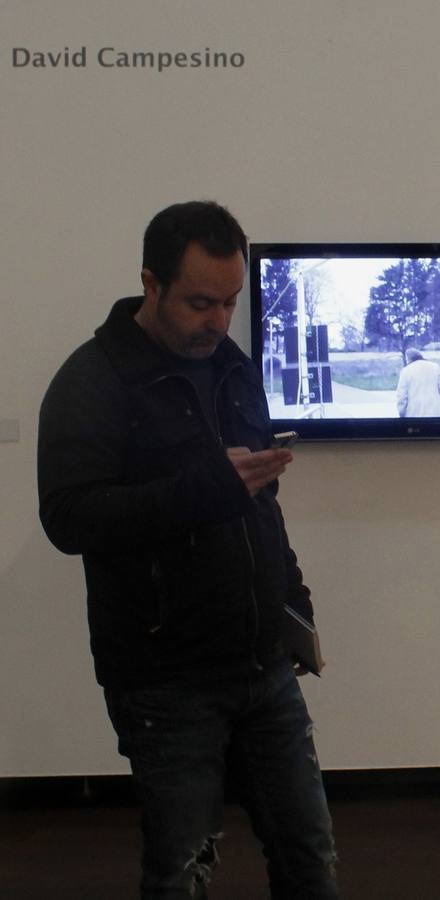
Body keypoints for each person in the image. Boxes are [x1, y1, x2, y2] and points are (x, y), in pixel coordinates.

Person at [37, 201, 338, 898]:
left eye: (230, 302)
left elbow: (258, 500)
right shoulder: (92, 383)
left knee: (310, 856)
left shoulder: (232, 367)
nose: (219, 320)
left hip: (264, 667)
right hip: (164, 682)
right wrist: (206, 488)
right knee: (183, 872)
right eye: (201, 302)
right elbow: (69, 518)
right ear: (151, 283)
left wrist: (291, 601)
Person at [396, 347, 440, 417]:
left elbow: (402, 396)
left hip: (413, 415)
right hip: (435, 414)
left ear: (408, 359)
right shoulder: (435, 367)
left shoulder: (406, 371)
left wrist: (402, 413)